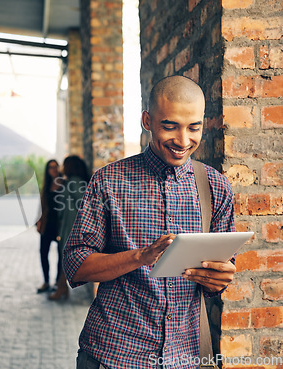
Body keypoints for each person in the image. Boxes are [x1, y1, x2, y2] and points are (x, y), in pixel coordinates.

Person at [63, 76, 235, 369]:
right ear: (147, 120)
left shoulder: (216, 187)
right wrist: (141, 256)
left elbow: (217, 277)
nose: (183, 141)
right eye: (170, 126)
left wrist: (218, 280)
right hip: (112, 355)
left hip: (185, 357)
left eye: (193, 128)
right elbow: (74, 265)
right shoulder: (108, 181)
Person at [48, 155, 90, 301]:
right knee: (65, 259)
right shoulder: (74, 182)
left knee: (66, 258)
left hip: (71, 227)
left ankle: (61, 288)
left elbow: (81, 203)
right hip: (70, 226)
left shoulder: (74, 182)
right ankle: (62, 288)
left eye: (65, 165)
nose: (62, 168)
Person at [36, 159, 63, 293]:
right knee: (43, 252)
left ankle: (58, 282)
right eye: (51, 167)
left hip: (60, 224)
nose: (53, 169)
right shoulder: (47, 185)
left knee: (61, 255)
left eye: (55, 167)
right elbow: (42, 204)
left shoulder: (65, 184)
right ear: (48, 170)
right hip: (47, 223)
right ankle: (46, 281)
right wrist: (39, 220)